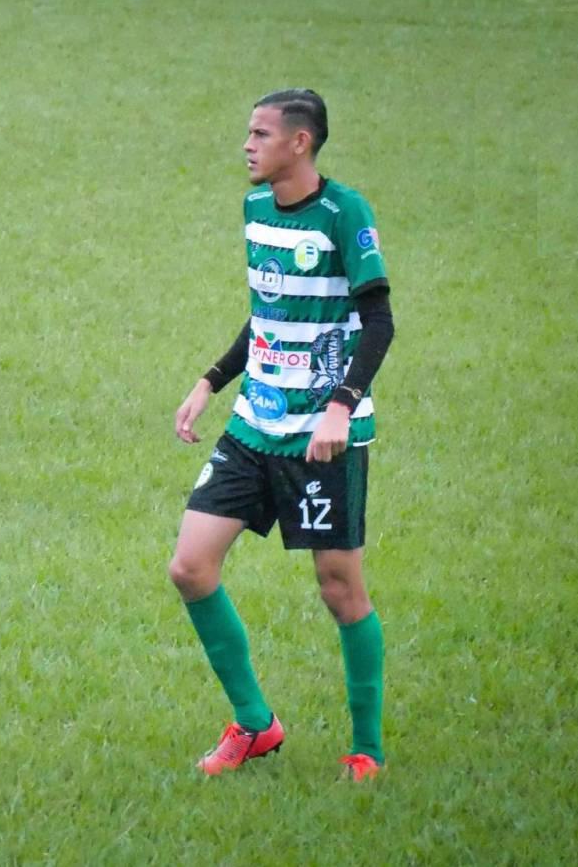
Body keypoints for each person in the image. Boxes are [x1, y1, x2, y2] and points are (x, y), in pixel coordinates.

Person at [169, 89, 394, 782]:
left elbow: (379, 321)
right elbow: (269, 312)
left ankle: (367, 749)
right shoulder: (255, 209)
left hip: (322, 438)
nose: (247, 145)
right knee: (190, 568)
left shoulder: (344, 214)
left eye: (261, 134)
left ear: (300, 142)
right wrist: (211, 381)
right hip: (253, 426)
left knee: (339, 588)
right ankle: (255, 724)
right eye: (248, 133)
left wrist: (340, 407)